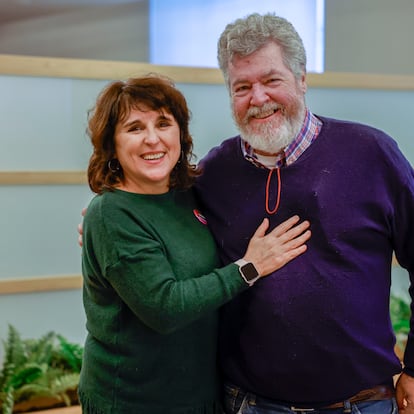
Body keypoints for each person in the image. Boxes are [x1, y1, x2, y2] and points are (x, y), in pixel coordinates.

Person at [193, 12, 414, 414]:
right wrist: (110, 215)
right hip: (250, 403)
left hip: (362, 404)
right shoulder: (213, 173)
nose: (257, 98)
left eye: (271, 80)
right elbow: (157, 217)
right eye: (241, 86)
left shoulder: (373, 154)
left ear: (302, 79)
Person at [78, 74, 311, 414]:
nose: (152, 139)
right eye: (134, 128)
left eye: (163, 124)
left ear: (180, 134)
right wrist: (250, 267)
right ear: (112, 144)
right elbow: (165, 308)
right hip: (135, 401)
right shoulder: (110, 213)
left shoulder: (187, 197)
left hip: (199, 394)